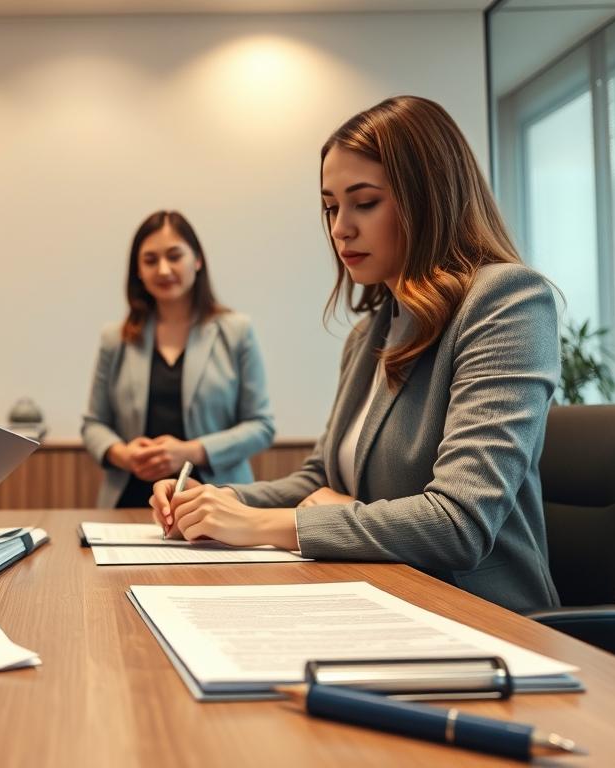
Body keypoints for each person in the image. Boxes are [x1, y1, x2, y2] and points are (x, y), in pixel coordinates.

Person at [151, 97, 561, 613]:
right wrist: (221, 502)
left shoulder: (507, 301)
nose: (340, 227)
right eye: (330, 207)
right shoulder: (370, 333)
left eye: (364, 202)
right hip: (380, 597)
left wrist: (267, 524)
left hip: (481, 615)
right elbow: (320, 479)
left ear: (427, 197)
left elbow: (459, 524)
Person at [82, 210, 275, 509]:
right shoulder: (115, 338)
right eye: (150, 260)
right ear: (137, 271)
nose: (162, 269)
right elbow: (94, 424)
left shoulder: (236, 331)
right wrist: (124, 455)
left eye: (174, 256)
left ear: (197, 260)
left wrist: (191, 451)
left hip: (218, 500)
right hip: (129, 504)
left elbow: (261, 426)